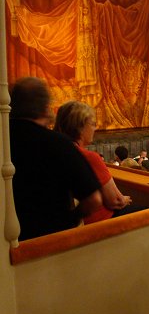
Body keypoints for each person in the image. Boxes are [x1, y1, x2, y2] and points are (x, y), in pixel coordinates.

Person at [9, 77, 103, 240]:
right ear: (46, 108)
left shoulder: (5, 140)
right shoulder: (58, 144)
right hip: (51, 239)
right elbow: (94, 200)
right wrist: (71, 218)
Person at [54, 100, 132, 225]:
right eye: (93, 124)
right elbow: (116, 201)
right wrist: (126, 199)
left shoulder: (56, 152)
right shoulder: (88, 157)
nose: (95, 128)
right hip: (100, 223)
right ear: (80, 127)